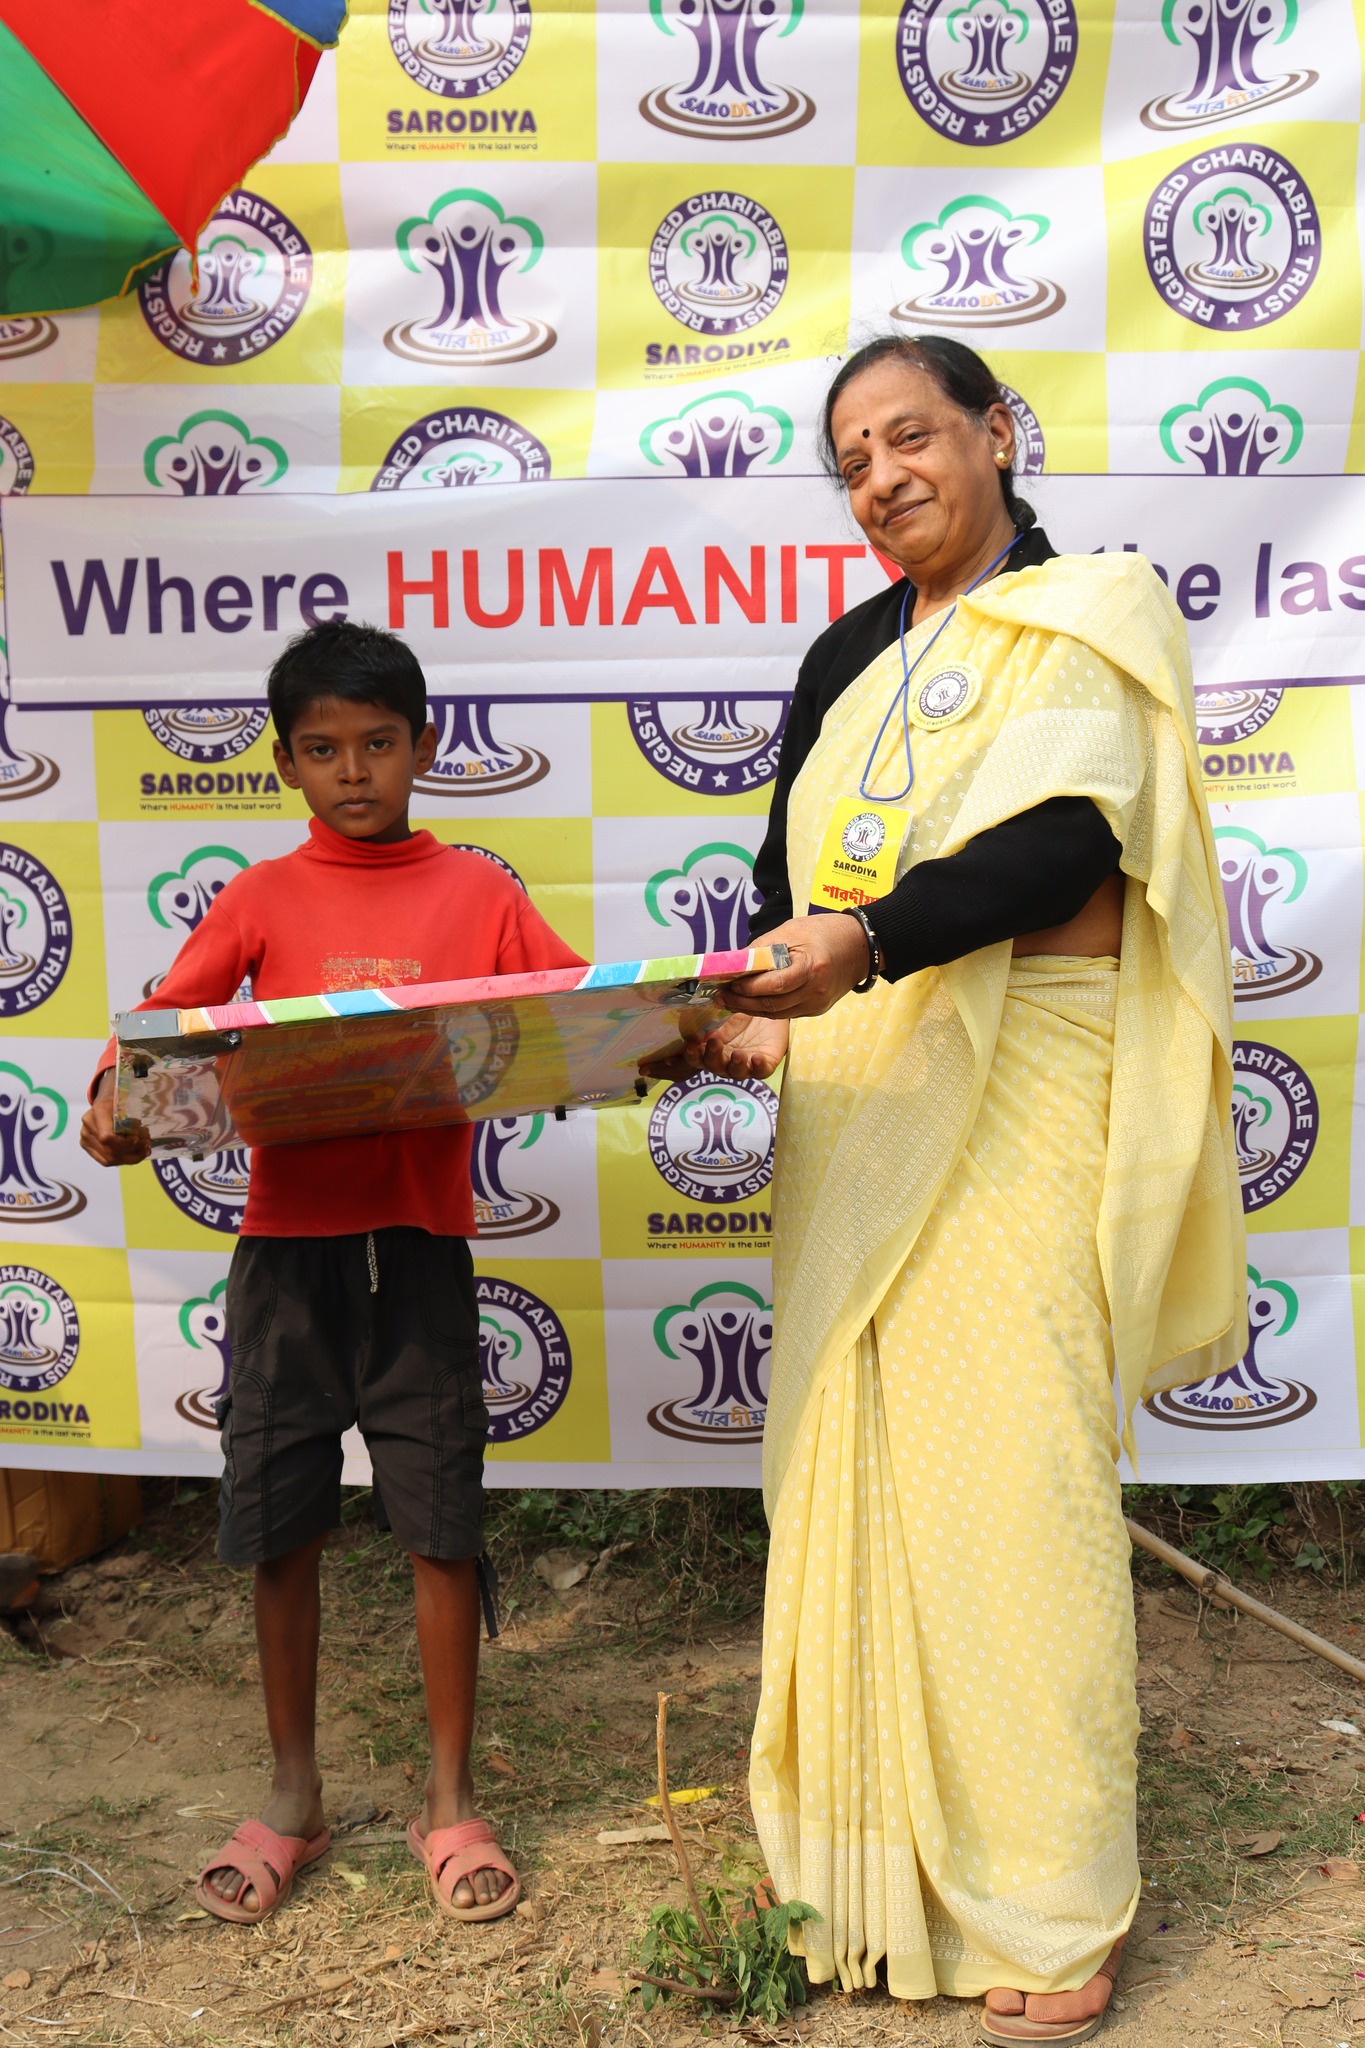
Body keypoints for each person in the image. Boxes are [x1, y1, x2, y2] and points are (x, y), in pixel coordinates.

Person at [660, 336, 1246, 2043]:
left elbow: (1063, 847)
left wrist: (864, 943)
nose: (881, 477)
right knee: (853, 1466)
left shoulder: (1088, 614)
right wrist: (750, 1007)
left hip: (1021, 1087)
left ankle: (1049, 1899)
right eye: (850, 459)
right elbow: (784, 873)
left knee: (1017, 1483)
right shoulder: (844, 653)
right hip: (857, 1092)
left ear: (994, 434)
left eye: (909, 436)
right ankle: (875, 1878)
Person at [81, 621, 585, 1928]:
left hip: (423, 1255)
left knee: (442, 1523)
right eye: (322, 749)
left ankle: (450, 1798)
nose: (353, 771)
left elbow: (577, 1016)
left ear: (425, 745)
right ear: (285, 762)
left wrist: (677, 1033)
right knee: (279, 1522)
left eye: (377, 743)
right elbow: (159, 1040)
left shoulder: (478, 892)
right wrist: (114, 1101)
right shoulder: (260, 897)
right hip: (286, 1264)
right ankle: (293, 1792)